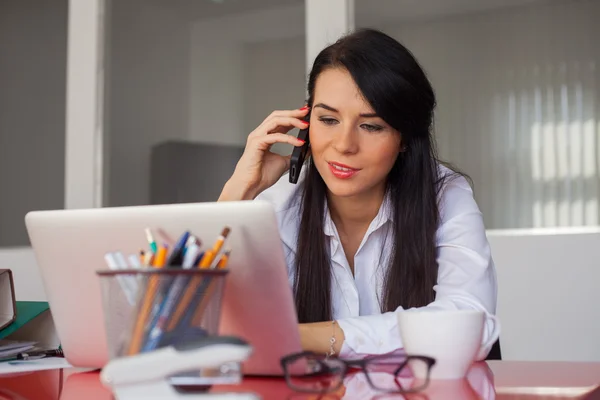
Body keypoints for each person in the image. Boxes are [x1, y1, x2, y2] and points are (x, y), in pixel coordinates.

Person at [218, 28, 497, 359]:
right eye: (328, 119)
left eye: (371, 126)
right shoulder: (279, 205)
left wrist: (313, 336)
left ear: (405, 138)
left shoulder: (444, 196)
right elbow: (203, 323)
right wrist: (238, 190)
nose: (344, 145)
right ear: (305, 124)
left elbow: (469, 325)